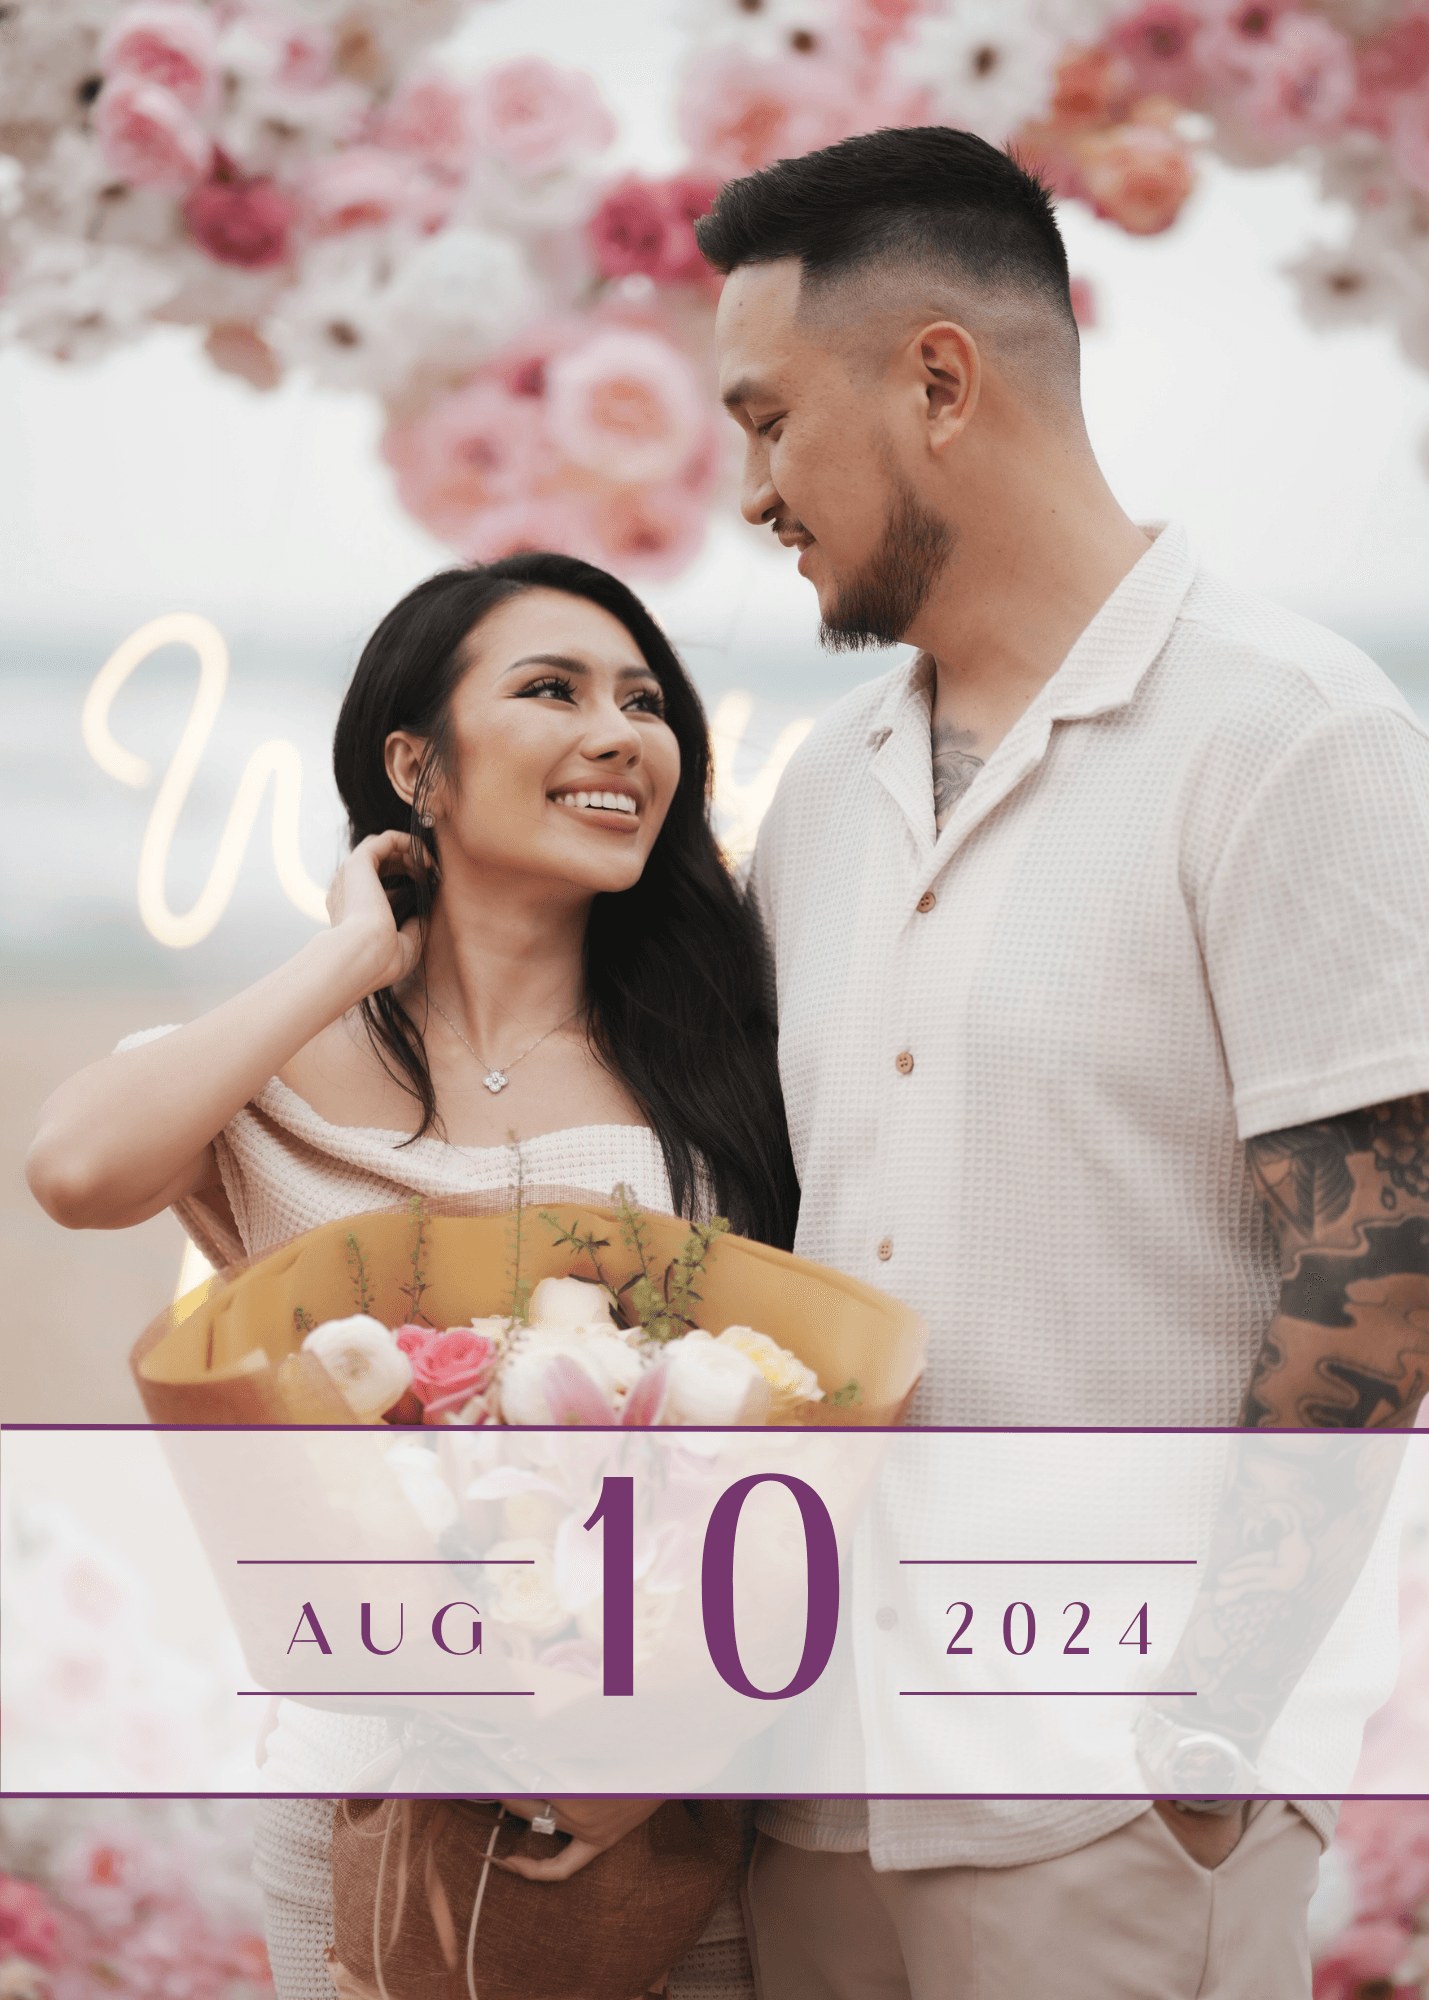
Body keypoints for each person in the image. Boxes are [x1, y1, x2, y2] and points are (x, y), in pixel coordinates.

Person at [695, 125, 1429, 1999]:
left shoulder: (1291, 735)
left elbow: (1389, 1264)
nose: (751, 489)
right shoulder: (829, 800)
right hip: (818, 1783)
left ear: (940, 378)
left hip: (1100, 1797)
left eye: (769, 419)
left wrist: (1202, 1732)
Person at [27, 551, 796, 2000]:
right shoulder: (283, 1057)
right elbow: (75, 1171)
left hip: (660, 1789)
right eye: (551, 689)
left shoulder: (727, 1056)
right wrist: (346, 960)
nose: (619, 732)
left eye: (645, 699)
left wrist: (657, 1751)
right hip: (363, 1772)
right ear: (415, 767)